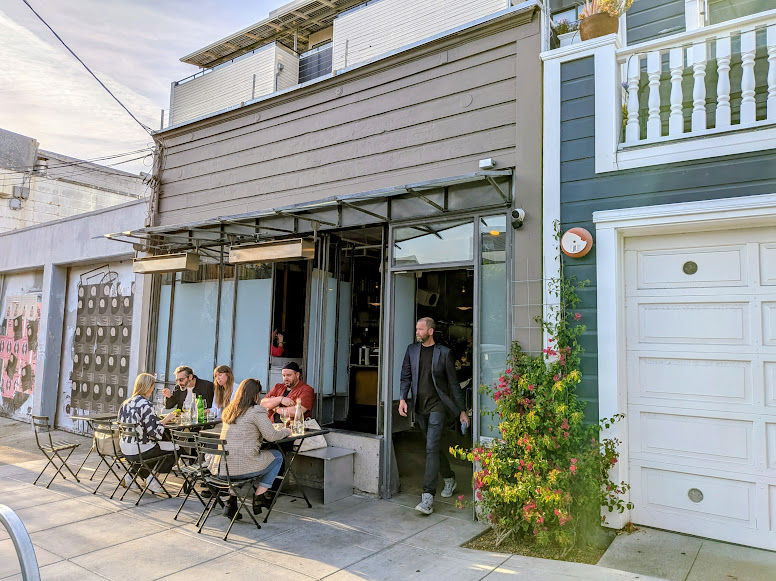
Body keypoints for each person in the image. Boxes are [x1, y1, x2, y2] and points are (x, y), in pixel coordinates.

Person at [399, 317, 468, 515]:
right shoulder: (411, 351)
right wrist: (403, 398)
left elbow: (453, 384)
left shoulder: (444, 353)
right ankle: (449, 478)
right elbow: (406, 376)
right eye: (416, 329)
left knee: (430, 447)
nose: (417, 332)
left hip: (438, 406)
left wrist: (462, 410)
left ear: (430, 331)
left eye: (420, 329)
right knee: (433, 446)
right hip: (420, 406)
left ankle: (427, 498)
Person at [218, 378, 291, 518]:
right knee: (277, 456)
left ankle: (231, 502)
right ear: (256, 395)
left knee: (237, 460)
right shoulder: (256, 411)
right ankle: (259, 496)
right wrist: (286, 432)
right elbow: (271, 436)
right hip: (243, 468)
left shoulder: (229, 411)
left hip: (222, 469)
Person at [118, 373, 177, 493]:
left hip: (125, 448)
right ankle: (152, 479)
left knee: (154, 451)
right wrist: (166, 420)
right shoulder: (146, 405)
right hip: (140, 449)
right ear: (148, 386)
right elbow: (154, 433)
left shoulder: (125, 403)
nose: (154, 388)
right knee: (175, 449)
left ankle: (130, 477)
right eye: (153, 385)